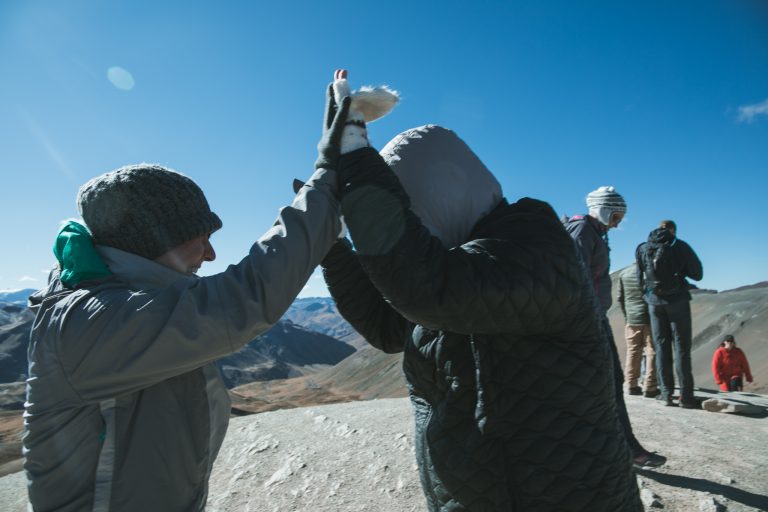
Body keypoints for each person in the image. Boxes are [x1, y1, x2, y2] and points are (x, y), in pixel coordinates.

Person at [321, 71, 642, 511]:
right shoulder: (451, 261)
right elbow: (387, 327)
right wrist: (333, 247)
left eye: (411, 212)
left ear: (443, 191)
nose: (413, 228)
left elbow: (426, 288)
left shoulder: (536, 250)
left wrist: (355, 158)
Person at [23, 92, 350, 512]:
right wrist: (327, 181)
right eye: (202, 238)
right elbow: (244, 299)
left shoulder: (127, 304)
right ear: (157, 240)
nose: (211, 256)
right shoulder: (87, 322)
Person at [563, 187, 666, 468]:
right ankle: (625, 449)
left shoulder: (593, 231)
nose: (619, 222)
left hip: (592, 319)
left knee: (607, 382)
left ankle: (618, 447)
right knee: (605, 382)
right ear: (605, 209)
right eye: (617, 215)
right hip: (584, 322)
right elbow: (574, 277)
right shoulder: (582, 230)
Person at [636, 220, 703, 409]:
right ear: (673, 230)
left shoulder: (643, 248)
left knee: (661, 347)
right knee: (682, 348)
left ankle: (666, 394)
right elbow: (698, 274)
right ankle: (686, 397)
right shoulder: (680, 246)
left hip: (654, 303)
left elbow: (639, 276)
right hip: (678, 301)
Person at [617, 262, 659, 398]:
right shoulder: (649, 271)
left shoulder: (624, 273)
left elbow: (620, 298)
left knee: (633, 351)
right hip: (649, 318)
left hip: (632, 318)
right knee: (651, 350)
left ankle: (631, 384)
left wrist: (627, 315)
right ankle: (650, 386)